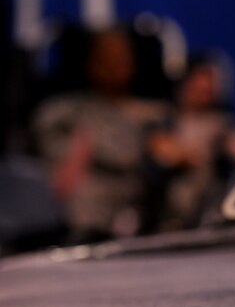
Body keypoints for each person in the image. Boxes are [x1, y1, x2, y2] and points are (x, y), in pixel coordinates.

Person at [34, 30, 165, 242]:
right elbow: (58, 158)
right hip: (89, 200)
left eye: (121, 58)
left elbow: (160, 151)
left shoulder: (154, 113)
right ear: (89, 62)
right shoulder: (65, 111)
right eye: (105, 58)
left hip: (141, 192)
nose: (113, 66)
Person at [149, 57, 235, 230]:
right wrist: (188, 154)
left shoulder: (221, 126)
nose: (204, 94)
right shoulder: (164, 120)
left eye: (208, 90)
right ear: (184, 86)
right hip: (163, 214)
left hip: (205, 215)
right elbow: (162, 150)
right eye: (198, 88)